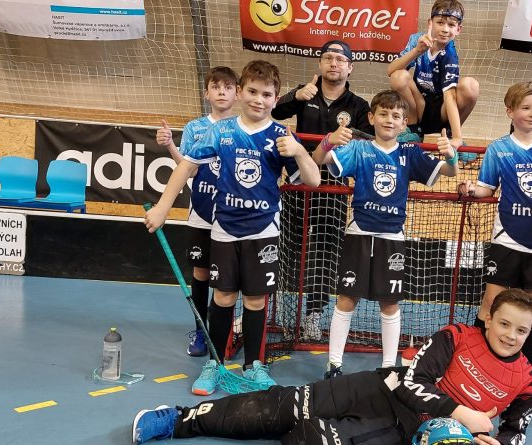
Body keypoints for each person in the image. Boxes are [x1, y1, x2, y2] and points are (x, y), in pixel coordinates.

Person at [131, 289, 532, 445]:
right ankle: (176, 420)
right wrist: (462, 412)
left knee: (311, 439)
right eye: (504, 324)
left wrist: (495, 444)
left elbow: (515, 431)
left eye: (521, 330)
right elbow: (414, 380)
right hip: (380, 390)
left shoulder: (526, 379)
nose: (510, 335)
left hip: (407, 430)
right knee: (279, 407)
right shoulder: (457, 336)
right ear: (489, 318)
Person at [144, 60, 321, 396]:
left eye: (266, 94)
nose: (258, 99)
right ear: (240, 92)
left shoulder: (281, 136)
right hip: (224, 229)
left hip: (263, 232)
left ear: (276, 98)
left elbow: (312, 181)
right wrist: (163, 207)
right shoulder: (220, 132)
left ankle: (255, 365)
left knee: (255, 300)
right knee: (223, 296)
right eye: (252, 91)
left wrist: (300, 151)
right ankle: (215, 364)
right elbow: (186, 167)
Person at [312, 90, 458, 377]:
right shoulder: (358, 149)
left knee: (389, 303)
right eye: (383, 114)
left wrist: (451, 156)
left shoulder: (410, 153)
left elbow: (450, 172)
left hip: (392, 237)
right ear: (371, 117)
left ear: (404, 123)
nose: (389, 120)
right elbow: (319, 157)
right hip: (359, 233)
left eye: (396, 116)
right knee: (346, 299)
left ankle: (389, 367)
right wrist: (329, 141)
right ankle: (334, 364)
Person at [458, 81, 532, 366]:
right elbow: (487, 189)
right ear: (510, 111)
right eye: (526, 108)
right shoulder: (499, 148)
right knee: (492, 301)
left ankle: (526, 367)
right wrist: (470, 189)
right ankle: (479, 362)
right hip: (506, 237)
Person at [272, 40, 373, 341]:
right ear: (319, 64)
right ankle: (266, 305)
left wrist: (349, 136)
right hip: (299, 181)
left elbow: (371, 140)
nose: (333, 63)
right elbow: (274, 110)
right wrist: (295, 95)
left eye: (340, 59)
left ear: (350, 67)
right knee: (284, 246)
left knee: (325, 253)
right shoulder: (306, 93)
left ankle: (313, 314)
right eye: (328, 57)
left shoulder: (359, 106)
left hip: (334, 186)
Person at [155, 66, 238, 358]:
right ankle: (201, 330)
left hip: (233, 214)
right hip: (201, 211)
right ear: (206, 93)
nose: (221, 92)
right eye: (216, 87)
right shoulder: (195, 128)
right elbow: (187, 167)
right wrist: (170, 146)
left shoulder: (242, 127)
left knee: (228, 276)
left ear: (237, 93)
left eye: (228, 87)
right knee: (201, 271)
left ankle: (224, 332)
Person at [387, 0, 478, 147]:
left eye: (451, 25)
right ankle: (412, 130)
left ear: (458, 29)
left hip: (442, 111)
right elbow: (390, 71)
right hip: (418, 104)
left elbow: (450, 96)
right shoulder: (417, 40)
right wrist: (417, 51)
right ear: (430, 23)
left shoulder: (449, 54)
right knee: (398, 76)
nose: (445, 29)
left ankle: (451, 135)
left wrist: (457, 137)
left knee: (470, 85)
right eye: (440, 23)